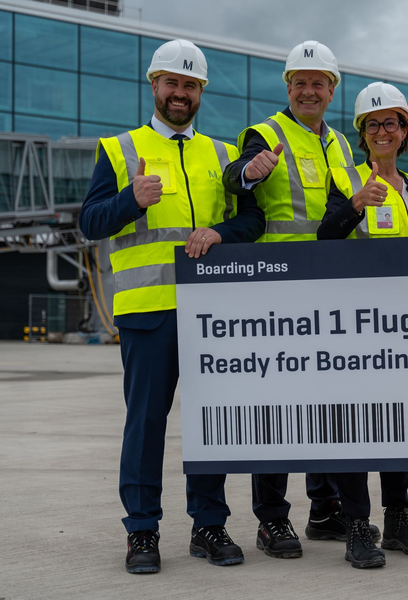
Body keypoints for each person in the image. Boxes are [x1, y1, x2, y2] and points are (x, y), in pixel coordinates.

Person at [78, 39, 265, 574]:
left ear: (201, 91)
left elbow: (253, 222)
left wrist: (221, 232)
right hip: (148, 313)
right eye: (172, 83)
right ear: (154, 85)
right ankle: (142, 531)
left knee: (212, 423)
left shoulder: (224, 155)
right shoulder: (119, 149)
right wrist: (128, 200)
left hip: (212, 315)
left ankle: (208, 526)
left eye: (190, 85)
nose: (180, 94)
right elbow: (90, 223)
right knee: (145, 424)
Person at [222, 40, 378, 559]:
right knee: (276, 413)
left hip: (330, 292)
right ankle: (272, 522)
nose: (309, 90)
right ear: (288, 87)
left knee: (341, 412)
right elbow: (233, 180)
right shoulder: (265, 133)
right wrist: (251, 171)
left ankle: (352, 520)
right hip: (277, 295)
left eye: (319, 82)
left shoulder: (339, 145)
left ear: (333, 90)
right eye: (300, 82)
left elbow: (338, 216)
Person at [318, 82, 408, 568]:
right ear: (362, 134)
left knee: (399, 426)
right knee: (356, 428)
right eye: (373, 124)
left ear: (405, 131)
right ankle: (358, 527)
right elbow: (324, 237)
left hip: (407, 328)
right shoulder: (345, 180)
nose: (383, 131)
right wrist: (354, 206)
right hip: (356, 329)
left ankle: (398, 519)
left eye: (392, 122)